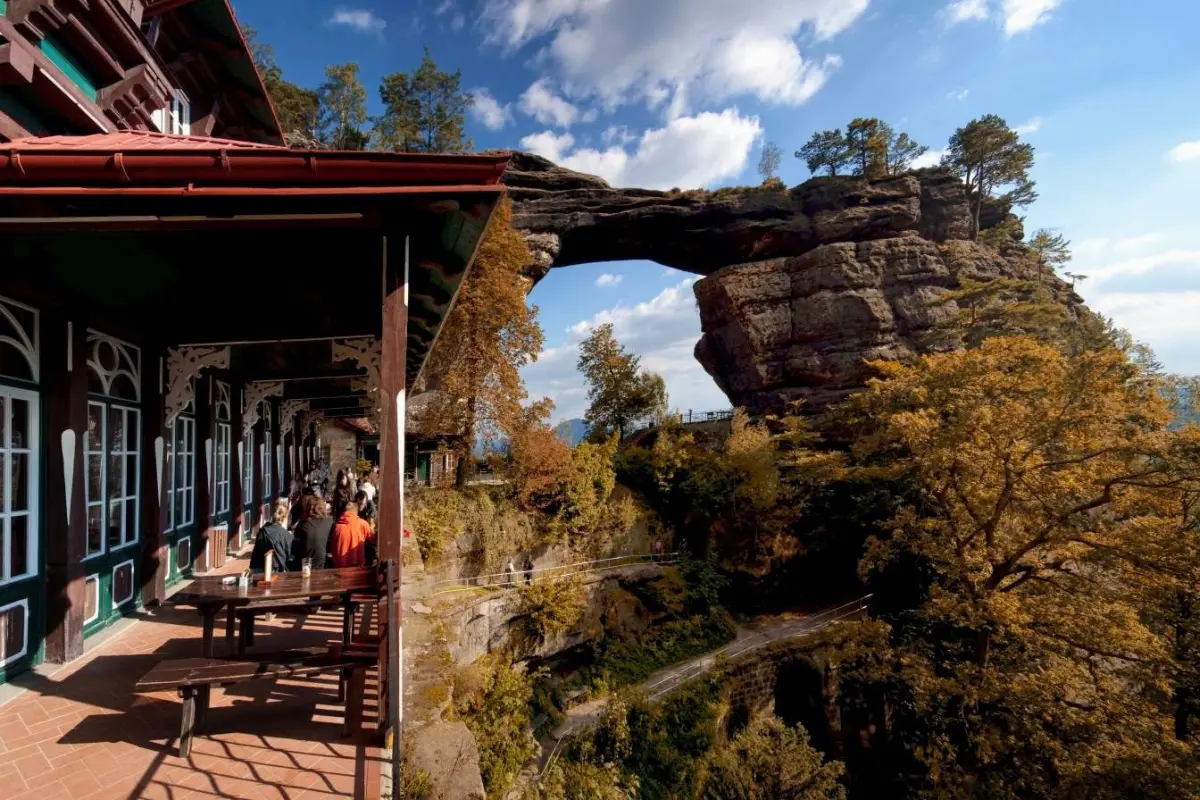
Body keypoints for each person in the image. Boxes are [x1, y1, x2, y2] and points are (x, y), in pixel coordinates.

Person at [291, 493, 334, 570]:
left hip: (306, 564)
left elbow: (296, 534)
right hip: (322, 562)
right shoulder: (329, 521)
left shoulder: (304, 524)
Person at [250, 498, 293, 574]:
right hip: (277, 572)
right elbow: (289, 558)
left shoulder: (263, 531)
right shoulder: (287, 535)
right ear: (285, 518)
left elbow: (255, 556)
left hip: (257, 570)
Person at [331, 493, 374, 568]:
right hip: (357, 565)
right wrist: (372, 528)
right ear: (356, 512)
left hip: (340, 567)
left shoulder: (336, 526)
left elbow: (333, 549)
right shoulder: (363, 524)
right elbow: (373, 539)